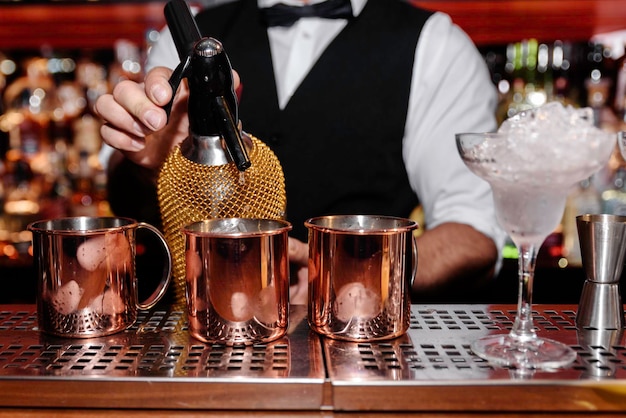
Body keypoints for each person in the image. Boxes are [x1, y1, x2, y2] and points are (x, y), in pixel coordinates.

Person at [95, 0, 507, 303]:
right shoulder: (191, 39)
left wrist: (353, 267)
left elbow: (473, 236)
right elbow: (126, 200)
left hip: (358, 351)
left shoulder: (436, 44)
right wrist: (146, 161)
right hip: (202, 338)